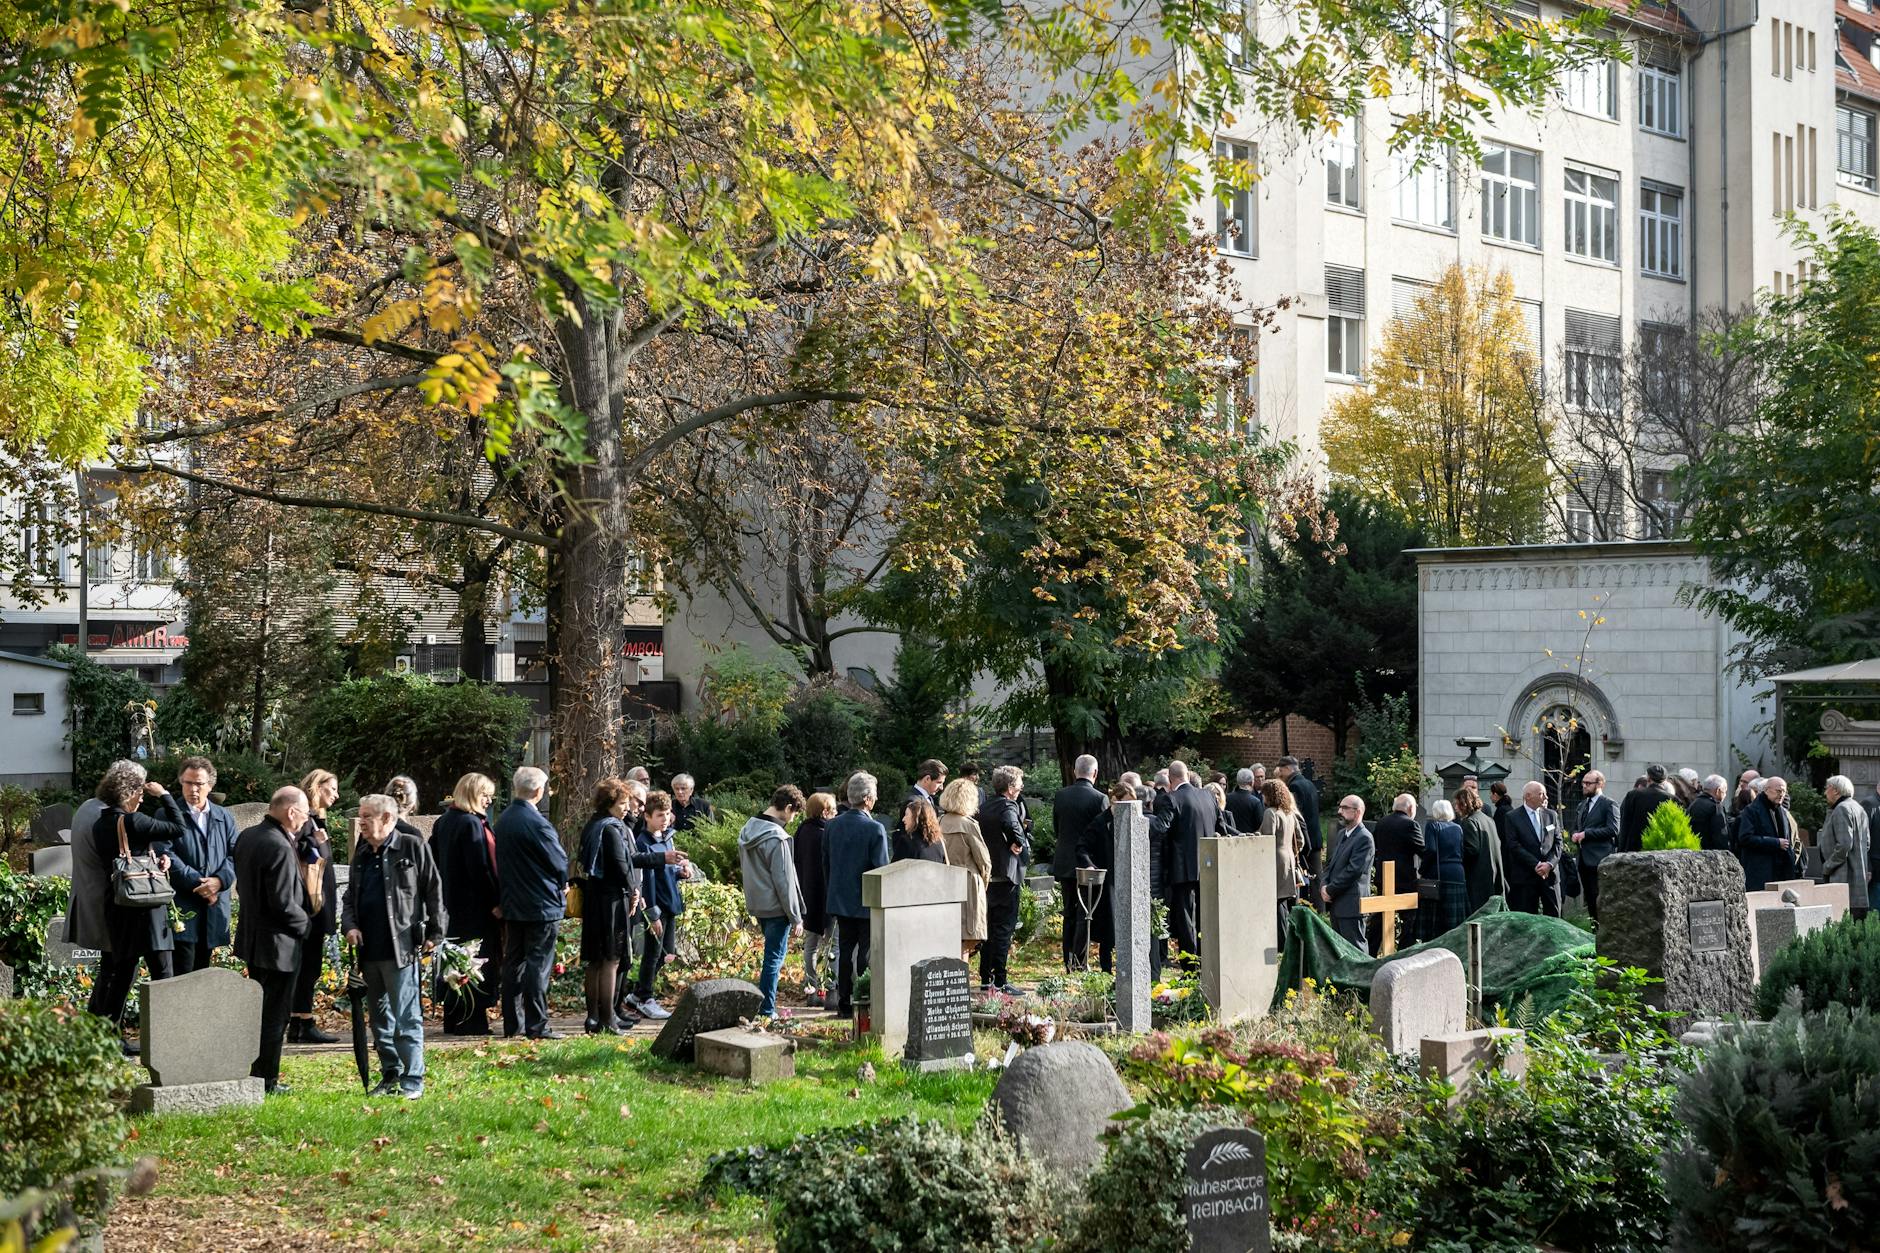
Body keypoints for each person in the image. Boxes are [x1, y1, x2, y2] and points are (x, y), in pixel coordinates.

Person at [342, 793, 446, 1099]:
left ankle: (413, 1080)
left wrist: (436, 934)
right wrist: (349, 926)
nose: (361, 822)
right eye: (360, 816)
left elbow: (434, 890)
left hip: (401, 949)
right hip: (369, 951)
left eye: (367, 816)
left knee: (406, 1018)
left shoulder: (411, 846)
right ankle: (391, 1073)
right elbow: (350, 898)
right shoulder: (361, 853)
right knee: (380, 1021)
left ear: (387, 818)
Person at [90, 760, 187, 1038]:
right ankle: (165, 1037)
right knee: (163, 975)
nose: (143, 795)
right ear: (128, 791)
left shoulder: (101, 824)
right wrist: (165, 795)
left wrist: (159, 861)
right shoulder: (135, 820)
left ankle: (109, 1038)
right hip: (147, 908)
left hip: (120, 907)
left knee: (121, 976)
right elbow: (178, 827)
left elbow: (131, 855)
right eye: (140, 791)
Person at [234, 786, 313, 1095]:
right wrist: (307, 925)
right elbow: (283, 903)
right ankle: (267, 1079)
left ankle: (258, 1073)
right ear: (291, 812)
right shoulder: (278, 845)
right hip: (279, 945)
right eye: (304, 814)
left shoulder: (248, 836)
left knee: (262, 1012)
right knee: (275, 1016)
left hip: (254, 940)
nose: (306, 821)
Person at [494, 766, 568, 1040]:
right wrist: (562, 882)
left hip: (514, 901)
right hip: (541, 903)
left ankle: (513, 1024)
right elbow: (559, 861)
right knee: (538, 964)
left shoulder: (504, 820)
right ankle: (537, 1025)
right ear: (538, 791)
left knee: (514, 962)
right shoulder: (537, 822)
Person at [435, 773, 503, 1036]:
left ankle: (453, 1018)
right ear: (473, 794)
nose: (488, 800)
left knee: (455, 959)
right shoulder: (472, 824)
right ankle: (472, 1020)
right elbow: (481, 869)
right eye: (485, 795)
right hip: (475, 906)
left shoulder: (445, 821)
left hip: (451, 902)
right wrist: (495, 901)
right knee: (474, 960)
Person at [825, 772, 890, 1016]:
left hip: (840, 897)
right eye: (874, 795)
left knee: (844, 951)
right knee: (864, 953)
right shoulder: (875, 829)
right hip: (866, 899)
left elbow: (826, 864)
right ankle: (862, 1001)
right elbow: (881, 869)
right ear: (867, 799)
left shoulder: (832, 825)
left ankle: (843, 1005)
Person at [577, 779, 640, 1035]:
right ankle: (607, 1020)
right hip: (612, 900)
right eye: (622, 803)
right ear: (610, 803)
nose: (627, 809)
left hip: (594, 897)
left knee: (594, 960)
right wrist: (633, 890)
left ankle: (592, 1017)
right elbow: (621, 864)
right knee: (611, 960)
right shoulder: (612, 829)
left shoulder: (593, 824)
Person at [739, 785, 807, 1018]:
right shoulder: (777, 838)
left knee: (770, 957)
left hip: (758, 903)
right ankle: (766, 1010)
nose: (793, 819)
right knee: (774, 960)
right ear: (788, 808)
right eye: (795, 814)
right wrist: (795, 916)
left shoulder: (748, 828)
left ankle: (764, 1007)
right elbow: (784, 881)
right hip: (777, 906)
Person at [167, 756, 237, 976]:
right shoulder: (168, 814)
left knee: (202, 973)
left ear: (210, 785)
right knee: (181, 973)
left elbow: (235, 853)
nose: (193, 789)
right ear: (181, 782)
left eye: (199, 784)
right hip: (183, 905)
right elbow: (166, 853)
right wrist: (201, 884)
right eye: (188, 783)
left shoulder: (223, 817)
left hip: (214, 907)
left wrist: (219, 881)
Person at [289, 769, 342, 1045]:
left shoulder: (316, 820)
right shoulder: (306, 822)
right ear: (316, 787)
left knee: (310, 964)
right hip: (311, 905)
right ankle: (302, 1020)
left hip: (317, 903)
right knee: (308, 964)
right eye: (331, 789)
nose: (336, 795)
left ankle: (300, 1020)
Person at [626, 791, 687, 1019]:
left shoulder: (667, 837)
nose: (665, 818)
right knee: (653, 953)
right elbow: (646, 881)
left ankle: (638, 993)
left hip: (670, 903)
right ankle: (644, 997)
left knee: (666, 953)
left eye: (668, 813)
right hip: (655, 907)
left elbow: (668, 872)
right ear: (647, 817)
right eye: (660, 815)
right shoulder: (642, 843)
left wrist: (682, 872)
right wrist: (652, 914)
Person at [1161, 761, 1224, 964]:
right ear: (1187, 774)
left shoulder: (1172, 799)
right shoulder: (1208, 796)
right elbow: (1221, 827)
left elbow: (1163, 832)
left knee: (1186, 917)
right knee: (1205, 915)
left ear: (1170, 779)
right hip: (1209, 865)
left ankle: (1191, 965)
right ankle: (1208, 959)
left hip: (1182, 868)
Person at [1050, 755, 1108, 971]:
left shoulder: (1061, 796)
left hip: (1065, 861)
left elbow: (1058, 828)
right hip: (1088, 863)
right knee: (1086, 913)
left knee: (1069, 913)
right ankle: (1079, 962)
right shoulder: (1099, 799)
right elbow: (1101, 835)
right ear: (1095, 773)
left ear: (1075, 771)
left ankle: (1068, 960)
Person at [976, 765, 1030, 992]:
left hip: (989, 876)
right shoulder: (1008, 806)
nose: (1021, 787)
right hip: (1007, 877)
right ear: (1010, 788)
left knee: (988, 929)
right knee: (1003, 930)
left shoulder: (985, 806)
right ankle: (1000, 979)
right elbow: (1012, 825)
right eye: (1019, 783)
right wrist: (1018, 841)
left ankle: (985, 977)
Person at [64, 791, 112, 1017]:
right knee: (118, 971)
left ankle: (96, 1022)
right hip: (107, 904)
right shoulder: (105, 814)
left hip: (93, 898)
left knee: (113, 969)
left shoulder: (87, 807)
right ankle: (103, 1027)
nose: (141, 797)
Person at [939, 779, 990, 960]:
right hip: (968, 883)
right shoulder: (968, 825)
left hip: (945, 882)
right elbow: (984, 862)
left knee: (948, 936)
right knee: (966, 940)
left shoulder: (939, 821)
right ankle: (961, 981)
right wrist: (982, 884)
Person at [793, 792, 835, 1005]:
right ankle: (829, 988)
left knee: (811, 943)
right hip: (827, 894)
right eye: (833, 809)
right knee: (830, 944)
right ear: (825, 811)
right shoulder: (827, 832)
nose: (835, 813)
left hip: (807, 894)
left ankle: (811, 986)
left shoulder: (801, 830)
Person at [1321, 796, 1373, 951]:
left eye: (1344, 808)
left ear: (1357, 812)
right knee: (1340, 951)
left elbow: (1353, 871)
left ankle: (1362, 976)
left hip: (1351, 904)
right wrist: (1324, 884)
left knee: (1355, 950)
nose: (1339, 811)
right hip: (1337, 902)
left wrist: (1330, 890)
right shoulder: (1342, 834)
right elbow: (1331, 864)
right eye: (1340, 807)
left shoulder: (1364, 838)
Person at [1371, 795, 1423, 950]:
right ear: (1411, 808)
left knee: (1381, 916)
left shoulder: (1381, 823)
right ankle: (1404, 952)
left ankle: (1371, 951)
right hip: (1404, 880)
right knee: (1409, 918)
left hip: (1383, 877)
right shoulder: (1410, 825)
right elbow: (1422, 850)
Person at [1505, 781, 1564, 916]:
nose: (1546, 797)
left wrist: (1549, 864)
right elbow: (1513, 845)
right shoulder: (1512, 817)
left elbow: (1558, 843)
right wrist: (1536, 865)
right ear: (1528, 796)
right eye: (1541, 794)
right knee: (1525, 919)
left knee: (1554, 917)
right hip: (1525, 877)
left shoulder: (1551, 815)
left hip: (1550, 876)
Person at [1570, 770, 1620, 922]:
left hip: (1600, 860)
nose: (1584, 786)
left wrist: (1587, 834)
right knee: (1590, 899)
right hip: (1584, 860)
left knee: (1600, 899)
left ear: (1600, 784)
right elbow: (1576, 826)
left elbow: (1613, 829)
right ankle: (1594, 930)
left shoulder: (1609, 804)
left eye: (1588, 783)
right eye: (1583, 783)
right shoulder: (1582, 805)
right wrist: (1574, 834)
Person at [1259, 779, 1305, 946]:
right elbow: (1300, 840)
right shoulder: (1290, 813)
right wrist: (1292, 852)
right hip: (1290, 859)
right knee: (1289, 900)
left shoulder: (1270, 813)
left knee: (1277, 901)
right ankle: (1293, 940)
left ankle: (1282, 941)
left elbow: (1266, 840)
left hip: (1275, 860)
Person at [1735, 775, 1797, 892]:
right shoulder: (1752, 810)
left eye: (1784, 791)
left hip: (1781, 870)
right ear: (1766, 790)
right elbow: (1745, 838)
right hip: (1760, 870)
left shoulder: (1781, 811)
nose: (1781, 794)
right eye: (1778, 791)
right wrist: (1775, 842)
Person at [1820, 775, 1873, 908]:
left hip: (1842, 875)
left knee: (1841, 918)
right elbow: (1867, 843)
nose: (1825, 792)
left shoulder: (1842, 808)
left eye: (1827, 788)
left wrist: (1828, 865)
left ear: (1836, 791)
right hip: (1857, 876)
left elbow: (1844, 844)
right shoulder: (1858, 808)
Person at [1420, 799, 1468, 939]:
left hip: (1439, 874)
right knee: (1454, 920)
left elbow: (1431, 850)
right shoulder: (1458, 828)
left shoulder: (1432, 826)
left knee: (1436, 923)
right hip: (1458, 874)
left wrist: (1422, 870)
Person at [1455, 786, 1506, 913]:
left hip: (1478, 880)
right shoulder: (1488, 820)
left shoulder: (1469, 822)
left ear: (1464, 804)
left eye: (1457, 804)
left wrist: (1457, 855)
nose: (1455, 808)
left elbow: (1472, 850)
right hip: (1493, 877)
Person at [1276, 757, 1323, 884]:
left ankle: (1306, 904)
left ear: (1287, 769)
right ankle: (1318, 904)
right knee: (1316, 880)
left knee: (1304, 881)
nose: (1280, 774)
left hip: (1305, 841)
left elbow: (1294, 814)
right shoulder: (1309, 784)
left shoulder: (1294, 786)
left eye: (1281, 770)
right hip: (1315, 837)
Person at [1619, 764, 1677, 853]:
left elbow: (1624, 823)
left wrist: (1621, 849)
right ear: (1665, 780)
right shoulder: (1672, 799)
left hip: (1633, 849)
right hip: (1660, 850)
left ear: (1648, 778)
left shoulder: (1633, 795)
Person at [891, 798, 949, 864]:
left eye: (906, 815)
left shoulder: (906, 842)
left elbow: (894, 868)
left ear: (916, 818)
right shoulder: (939, 842)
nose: (903, 819)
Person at [1689, 774, 1731, 853]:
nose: (1725, 795)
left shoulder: (1694, 803)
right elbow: (1721, 835)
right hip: (1711, 854)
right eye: (1724, 791)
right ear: (1718, 790)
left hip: (1694, 850)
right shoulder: (1715, 806)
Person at [1226, 768, 1266, 839]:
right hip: (1249, 840)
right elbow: (1260, 824)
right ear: (1252, 782)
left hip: (1229, 839)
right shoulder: (1255, 802)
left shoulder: (1227, 798)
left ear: (1238, 782)